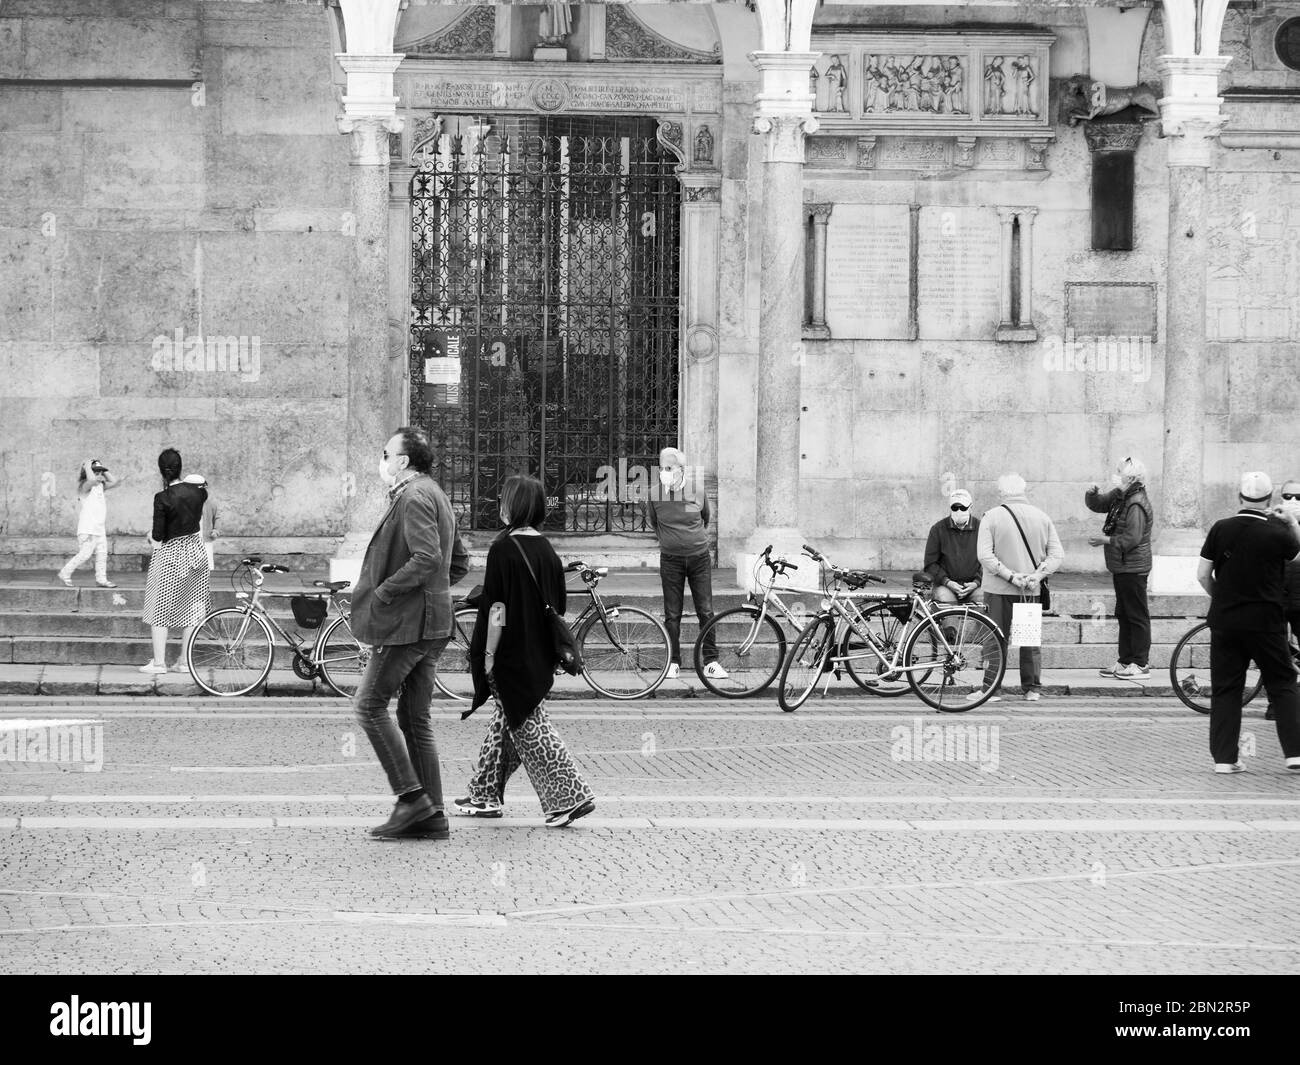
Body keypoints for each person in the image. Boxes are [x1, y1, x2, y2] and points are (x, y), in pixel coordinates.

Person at [454, 474, 596, 828]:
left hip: (509, 656)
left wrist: (487, 658)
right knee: (508, 720)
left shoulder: (503, 548)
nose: (500, 506)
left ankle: (569, 797)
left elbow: (497, 611)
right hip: (540, 656)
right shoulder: (547, 549)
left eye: (504, 500)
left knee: (531, 728)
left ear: (512, 506)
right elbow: (559, 604)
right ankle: (483, 794)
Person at [351, 427, 469, 840]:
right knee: (414, 718)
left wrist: (386, 592)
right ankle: (432, 815)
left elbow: (427, 557)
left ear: (402, 461)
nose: (382, 459)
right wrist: (436, 592)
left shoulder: (415, 496)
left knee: (368, 706)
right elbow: (459, 561)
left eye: (387, 453)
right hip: (433, 622)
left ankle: (411, 797)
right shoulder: (434, 493)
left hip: (409, 625)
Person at [1196, 472, 1300, 774]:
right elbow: (1296, 556)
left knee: (1226, 689)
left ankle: (1225, 760)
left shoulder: (1220, 528)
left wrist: (1223, 599)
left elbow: (1203, 574)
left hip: (1226, 621)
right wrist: (1291, 522)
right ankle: (1294, 753)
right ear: (1268, 500)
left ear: (1238, 497)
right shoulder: (1277, 532)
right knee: (1282, 682)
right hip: (1266, 620)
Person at [977, 473, 1064, 702]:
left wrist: (1009, 575)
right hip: (1030, 589)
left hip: (998, 589)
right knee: (1029, 640)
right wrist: (1038, 575)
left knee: (994, 638)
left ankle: (991, 688)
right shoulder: (1042, 517)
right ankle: (1032, 688)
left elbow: (985, 555)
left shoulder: (991, 517)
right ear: (1024, 491)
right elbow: (1057, 555)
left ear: (1001, 492)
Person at [645, 447, 726, 681]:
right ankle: (673, 662)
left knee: (706, 610)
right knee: (672, 613)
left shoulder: (696, 491)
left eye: (668, 468)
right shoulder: (654, 494)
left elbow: (705, 518)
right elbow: (654, 522)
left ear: (681, 469)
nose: (664, 472)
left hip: (699, 558)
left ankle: (710, 661)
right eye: (661, 468)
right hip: (670, 560)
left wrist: (689, 539)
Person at [139, 449, 210, 674]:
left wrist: (150, 536)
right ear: (181, 467)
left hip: (171, 555)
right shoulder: (199, 492)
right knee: (193, 606)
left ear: (161, 471)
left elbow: (158, 535)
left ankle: (159, 663)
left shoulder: (162, 498)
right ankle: (184, 662)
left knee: (160, 606)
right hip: (196, 552)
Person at [1085, 457, 1154, 679]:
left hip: (1133, 567)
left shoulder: (1136, 503)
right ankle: (1126, 660)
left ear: (1131, 477)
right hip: (1122, 566)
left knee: (1136, 616)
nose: (1116, 475)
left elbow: (1132, 538)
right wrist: (1092, 493)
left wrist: (1105, 541)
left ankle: (1141, 664)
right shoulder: (1121, 495)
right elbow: (1099, 504)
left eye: (1119, 472)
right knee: (1124, 614)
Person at [58, 458, 123, 588]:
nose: (99, 475)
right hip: (88, 528)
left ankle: (101, 579)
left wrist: (104, 470)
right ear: (88, 472)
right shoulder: (85, 486)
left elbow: (115, 482)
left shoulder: (100, 486)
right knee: (85, 554)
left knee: (102, 554)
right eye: (96, 472)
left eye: (100, 473)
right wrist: (87, 466)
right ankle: (65, 573)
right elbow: (92, 480)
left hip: (99, 528)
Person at [924, 488, 982, 605]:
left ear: (971, 507)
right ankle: (950, 624)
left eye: (963, 507)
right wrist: (947, 582)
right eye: (955, 508)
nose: (959, 511)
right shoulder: (938, 529)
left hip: (975, 586)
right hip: (946, 585)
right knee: (945, 601)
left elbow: (989, 559)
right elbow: (930, 563)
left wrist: (977, 582)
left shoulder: (982, 528)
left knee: (984, 600)